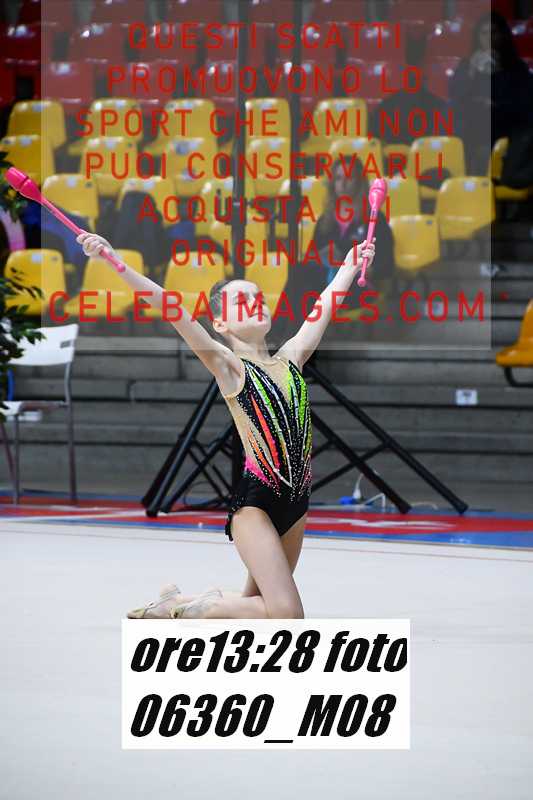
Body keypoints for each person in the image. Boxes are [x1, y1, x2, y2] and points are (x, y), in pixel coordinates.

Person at [76, 229, 376, 619]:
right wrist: (115, 261)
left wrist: (349, 267)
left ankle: (178, 602)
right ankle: (200, 607)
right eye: (241, 300)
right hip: (257, 506)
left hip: (297, 503)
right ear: (220, 325)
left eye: (258, 296)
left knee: (259, 602)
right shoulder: (229, 366)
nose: (254, 301)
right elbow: (172, 309)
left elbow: (325, 305)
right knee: (287, 614)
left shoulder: (292, 358)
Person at [448, 11, 533, 174]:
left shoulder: (517, 67)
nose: (489, 38)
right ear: (477, 37)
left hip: (506, 124)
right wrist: (472, 72)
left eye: (493, 32)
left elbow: (524, 104)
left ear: (502, 36)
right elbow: (456, 98)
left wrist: (496, 105)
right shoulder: (466, 66)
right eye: (484, 33)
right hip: (473, 125)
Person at [313, 158, 394, 302]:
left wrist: (365, 270)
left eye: (348, 178)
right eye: (338, 178)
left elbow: (388, 265)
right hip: (325, 283)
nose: (343, 183)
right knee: (301, 273)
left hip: (358, 285)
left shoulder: (374, 219)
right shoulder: (324, 220)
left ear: (359, 182)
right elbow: (313, 256)